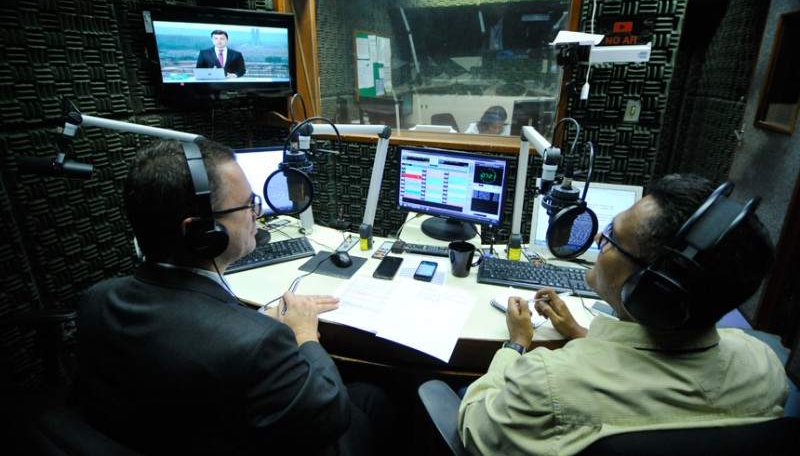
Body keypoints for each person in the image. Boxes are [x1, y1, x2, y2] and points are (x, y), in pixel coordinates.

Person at [75, 139, 392, 455]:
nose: (257, 214)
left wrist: (249, 325)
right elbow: (330, 414)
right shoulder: (258, 343)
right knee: (371, 398)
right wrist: (304, 333)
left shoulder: (97, 299)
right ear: (199, 232)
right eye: (248, 204)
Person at [458, 173, 788, 455]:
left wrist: (516, 344)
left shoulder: (550, 382)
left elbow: (476, 431)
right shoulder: (764, 364)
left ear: (654, 288)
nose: (600, 238)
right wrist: (578, 332)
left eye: (613, 237)